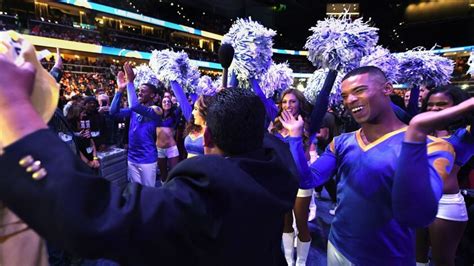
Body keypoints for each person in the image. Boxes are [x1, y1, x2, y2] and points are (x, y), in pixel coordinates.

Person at [0, 55, 299, 265]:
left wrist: (15, 109)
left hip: (149, 163)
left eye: (199, 116)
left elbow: (94, 215)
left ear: (207, 138)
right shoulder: (276, 169)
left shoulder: (204, 198)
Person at [282, 66, 456, 265]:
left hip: (387, 258)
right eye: (345, 95)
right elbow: (307, 180)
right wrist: (295, 138)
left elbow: (418, 217)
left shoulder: (433, 147)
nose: (350, 100)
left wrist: (414, 138)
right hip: (337, 246)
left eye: (359, 90)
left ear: (388, 89)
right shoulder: (341, 142)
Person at [416, 85, 473, 266]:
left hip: (445, 202)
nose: (434, 109)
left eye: (442, 104)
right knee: (418, 259)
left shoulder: (466, 134)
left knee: (443, 261)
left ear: (457, 106)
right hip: (417, 200)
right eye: (430, 105)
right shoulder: (420, 129)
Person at [109, 62, 162, 187]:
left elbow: (134, 105)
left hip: (148, 160)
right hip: (132, 158)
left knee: (148, 193)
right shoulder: (134, 110)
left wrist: (130, 82)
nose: (139, 93)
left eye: (143, 91)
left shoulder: (156, 110)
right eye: (138, 91)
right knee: (135, 192)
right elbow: (113, 112)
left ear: (152, 95)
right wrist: (120, 90)